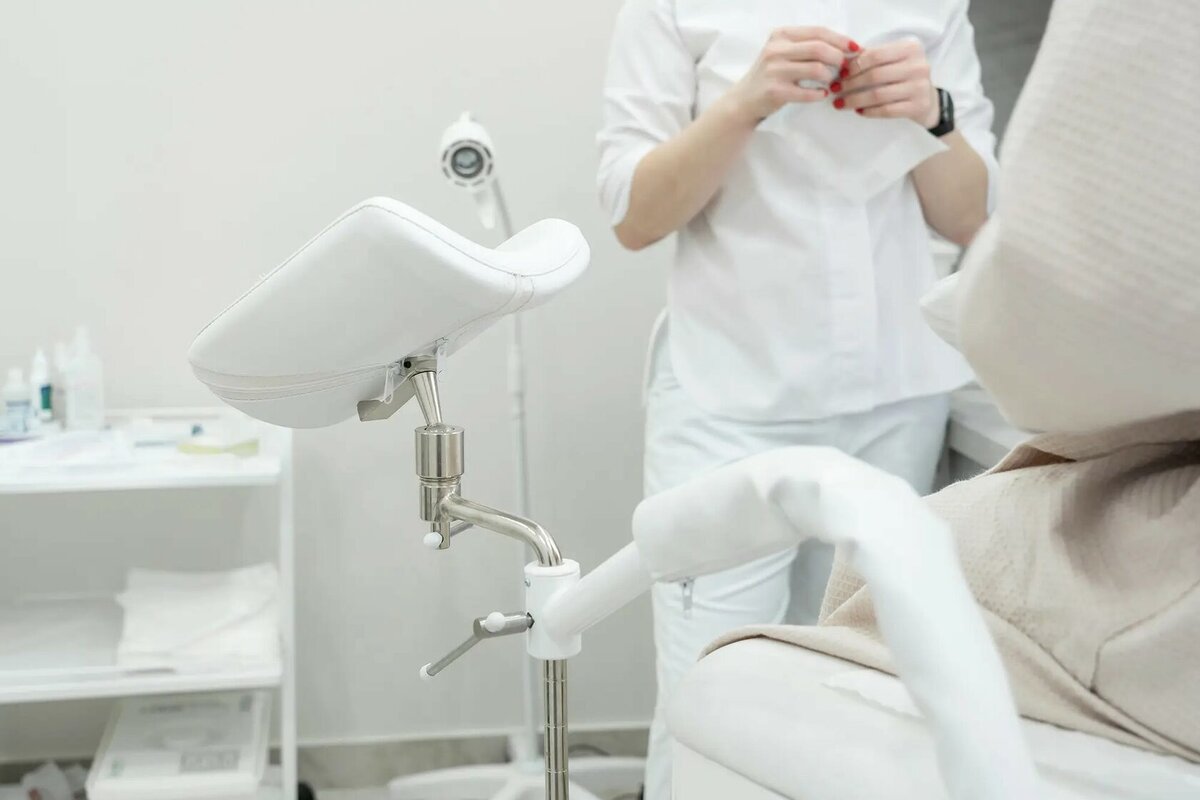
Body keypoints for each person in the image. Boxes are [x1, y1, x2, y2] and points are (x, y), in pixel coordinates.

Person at [595, 1, 998, 796]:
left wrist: (933, 113)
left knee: (854, 695)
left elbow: (971, 218)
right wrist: (743, 104)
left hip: (893, 397)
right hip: (727, 394)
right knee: (708, 698)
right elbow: (634, 217)